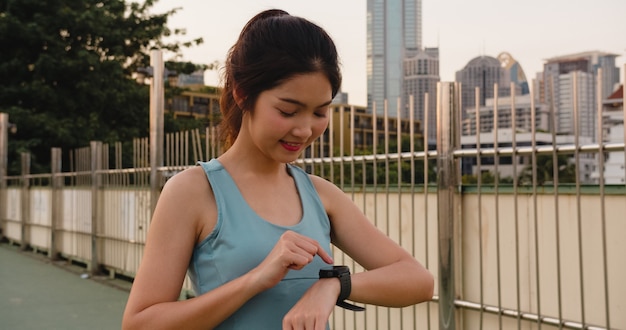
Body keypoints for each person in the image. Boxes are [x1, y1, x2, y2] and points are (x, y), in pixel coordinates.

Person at [122, 9, 433, 330]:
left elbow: (418, 280)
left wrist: (334, 285)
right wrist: (256, 279)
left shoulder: (321, 194)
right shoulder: (193, 191)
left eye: (319, 112)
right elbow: (140, 323)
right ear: (242, 94)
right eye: (288, 111)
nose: (304, 129)